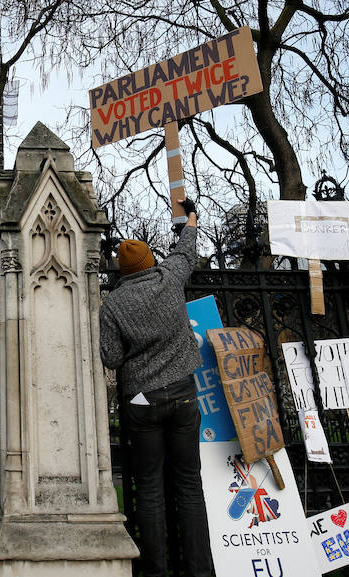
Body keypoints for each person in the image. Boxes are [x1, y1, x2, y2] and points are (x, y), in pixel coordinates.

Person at [99, 198, 212, 577]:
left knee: (148, 489)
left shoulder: (113, 304)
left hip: (142, 401)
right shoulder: (169, 277)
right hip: (182, 395)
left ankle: (155, 571)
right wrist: (191, 216)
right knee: (189, 485)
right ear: (150, 261)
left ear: (123, 271)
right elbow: (187, 249)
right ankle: (198, 571)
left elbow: (111, 357)